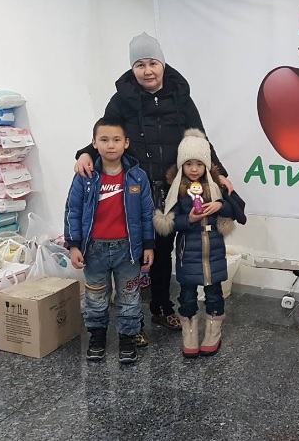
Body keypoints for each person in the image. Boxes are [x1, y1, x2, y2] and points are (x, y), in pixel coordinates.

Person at [74, 32, 233, 344]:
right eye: (140, 65)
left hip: (172, 189)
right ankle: (131, 322)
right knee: (134, 252)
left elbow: (199, 139)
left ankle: (161, 307)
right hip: (135, 189)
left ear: (162, 64)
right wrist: (84, 153)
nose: (147, 71)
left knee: (162, 252)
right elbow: (107, 134)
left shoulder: (180, 96)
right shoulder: (122, 99)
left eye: (152, 63)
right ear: (132, 68)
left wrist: (220, 173)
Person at [65, 116, 155, 363]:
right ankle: (97, 339)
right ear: (94, 143)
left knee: (129, 298)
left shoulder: (137, 177)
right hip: (94, 251)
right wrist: (74, 245)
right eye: (104, 140)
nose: (111, 145)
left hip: (128, 251)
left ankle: (127, 339)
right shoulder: (85, 177)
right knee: (95, 298)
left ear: (126, 143)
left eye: (116, 139)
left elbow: (147, 214)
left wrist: (148, 245)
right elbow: (73, 211)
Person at [153, 128, 239, 358]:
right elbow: (169, 221)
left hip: (214, 253)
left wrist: (220, 205)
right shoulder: (177, 191)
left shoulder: (216, 188)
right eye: (188, 163)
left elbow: (237, 211)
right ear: (181, 165)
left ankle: (213, 333)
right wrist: (189, 220)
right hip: (188, 253)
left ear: (207, 166)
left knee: (214, 294)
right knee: (187, 296)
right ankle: (189, 334)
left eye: (199, 164)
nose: (193, 169)